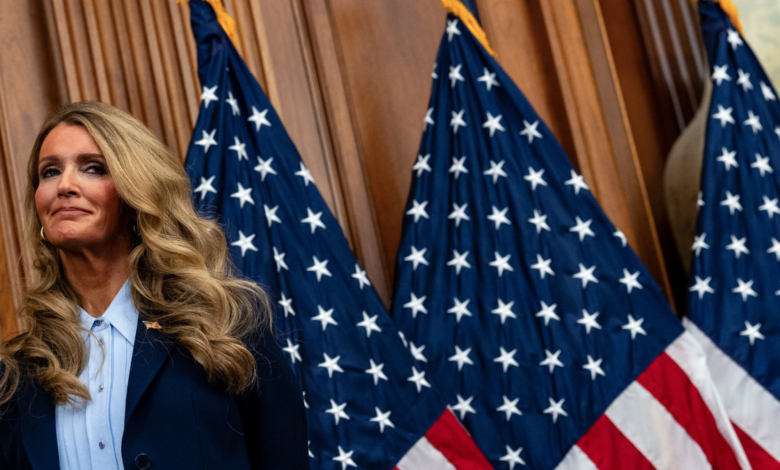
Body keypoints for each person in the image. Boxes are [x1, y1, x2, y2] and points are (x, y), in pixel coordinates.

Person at [0, 101, 309, 470]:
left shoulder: (223, 325)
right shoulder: (15, 374)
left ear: (135, 194)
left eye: (93, 168)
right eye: (49, 172)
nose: (65, 185)